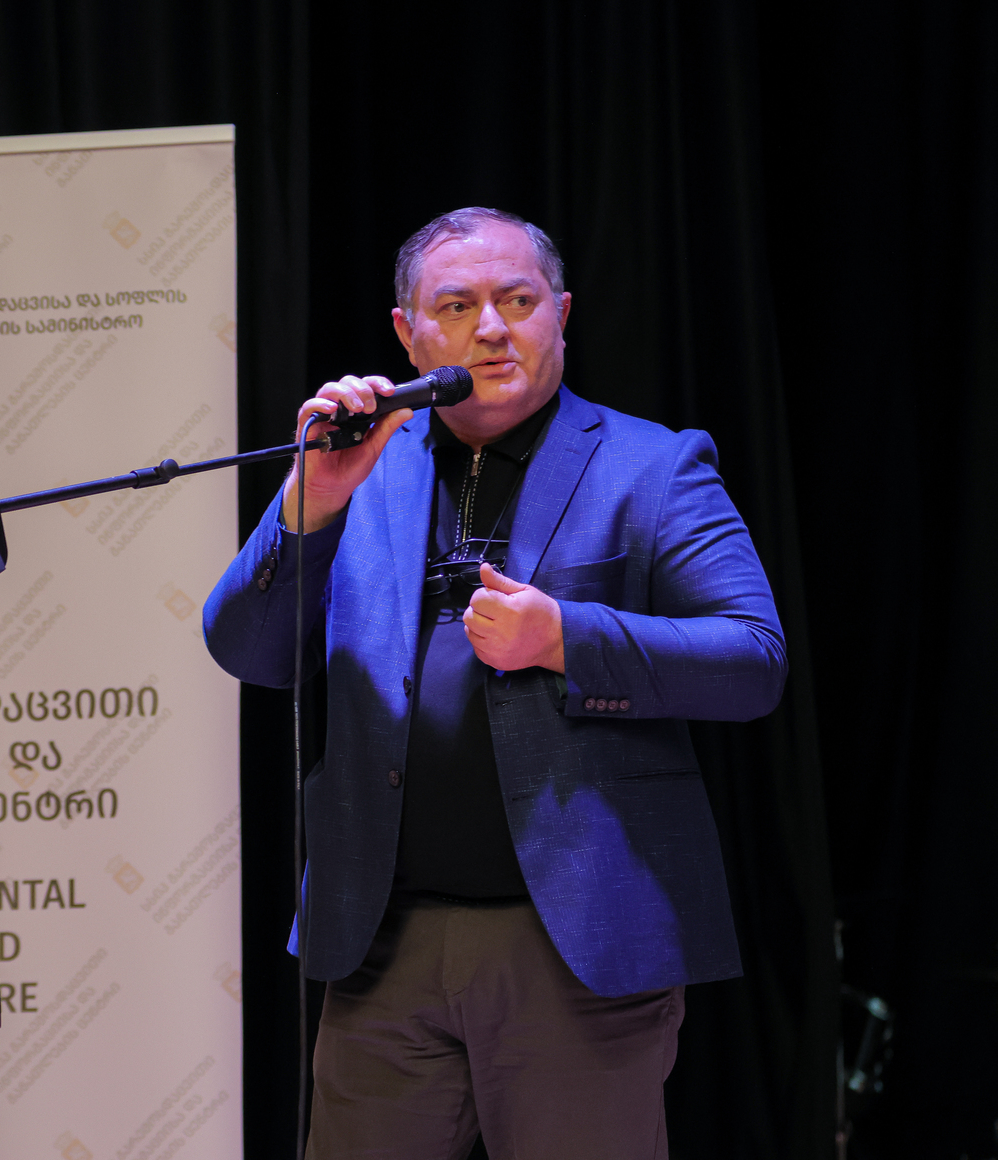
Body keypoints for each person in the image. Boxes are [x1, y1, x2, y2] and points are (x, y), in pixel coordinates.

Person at [202, 207, 787, 1158]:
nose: (491, 328)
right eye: (456, 305)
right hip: (381, 943)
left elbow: (752, 660)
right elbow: (248, 651)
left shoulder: (653, 465)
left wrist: (569, 638)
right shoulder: (361, 467)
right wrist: (311, 501)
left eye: (518, 300)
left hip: (575, 948)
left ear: (561, 313)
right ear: (407, 334)